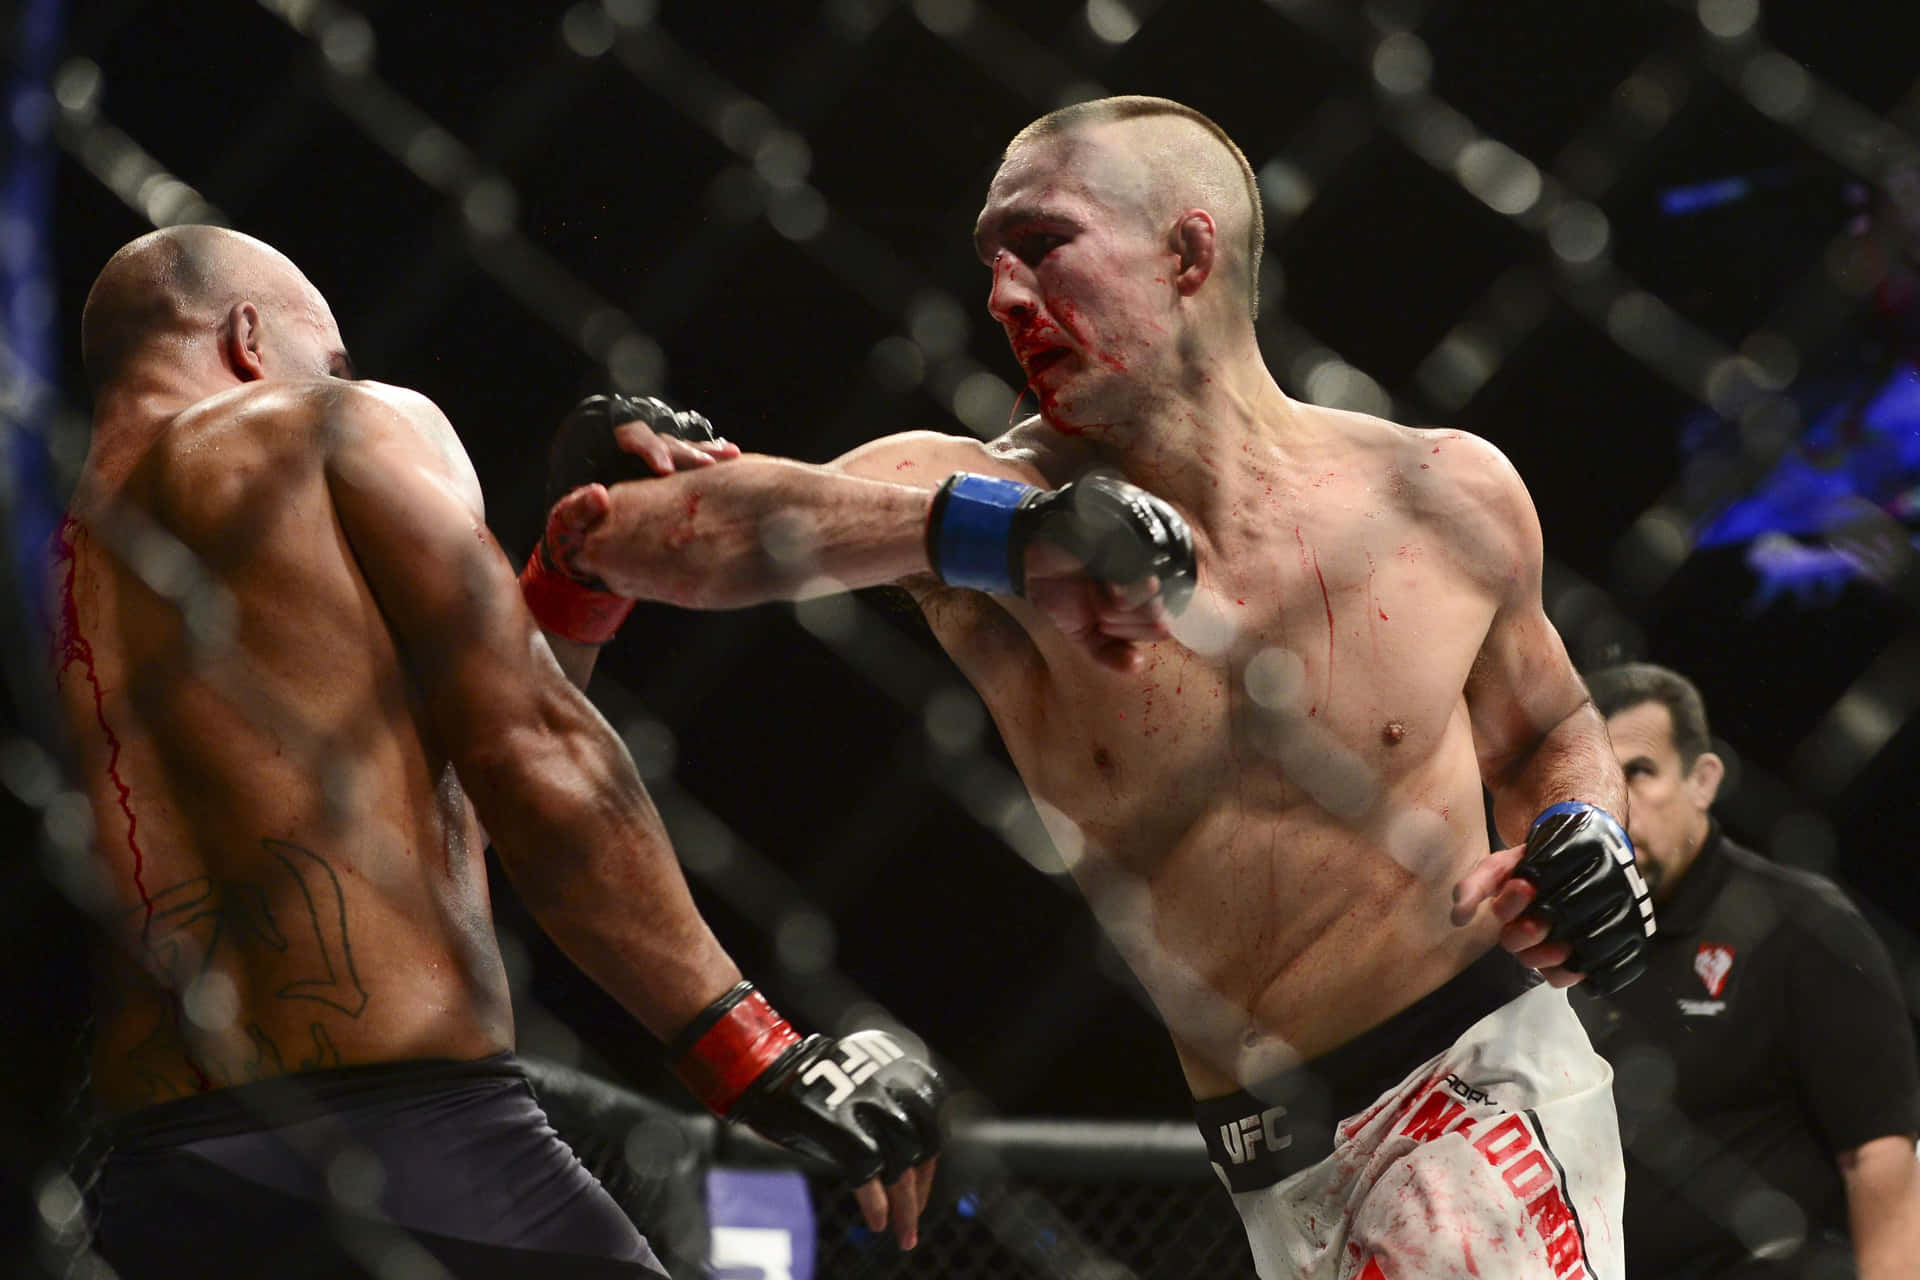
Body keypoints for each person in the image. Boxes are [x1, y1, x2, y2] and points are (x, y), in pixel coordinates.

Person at [520, 96, 1654, 1279]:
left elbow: (1553, 725)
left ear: (1187, 250)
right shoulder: (979, 502)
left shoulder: (1440, 492)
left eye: (1043, 244)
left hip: (1469, 1086)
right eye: (990, 262)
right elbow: (692, 531)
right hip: (1265, 1164)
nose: (1005, 296)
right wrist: (1002, 535)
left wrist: (1582, 827)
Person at [52, 225, 944, 1279]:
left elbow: (430, 797)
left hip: (161, 1185)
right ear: (250, 336)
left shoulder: (55, 560)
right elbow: (525, 739)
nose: (349, 378)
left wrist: (571, 582)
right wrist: (752, 1049)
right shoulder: (323, 426)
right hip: (411, 1144)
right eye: (333, 355)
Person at [1576, 662, 1920, 1277]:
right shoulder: (1554, 937)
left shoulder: (1805, 927)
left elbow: (1881, 1159)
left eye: (1639, 772)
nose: (1617, 804)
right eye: (1596, 779)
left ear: (1703, 781)